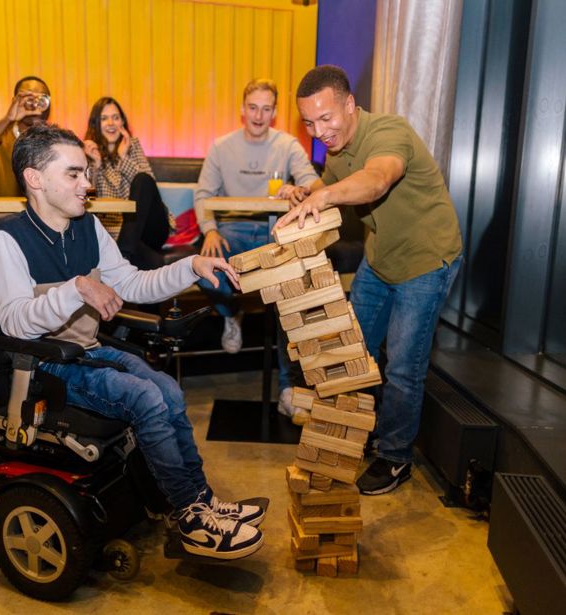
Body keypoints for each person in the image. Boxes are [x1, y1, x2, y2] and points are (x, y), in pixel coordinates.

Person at [0, 123, 265, 559]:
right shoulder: (5, 240)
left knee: (168, 390)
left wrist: (192, 266)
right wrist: (76, 287)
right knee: (145, 398)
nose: (87, 184)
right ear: (35, 179)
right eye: (74, 174)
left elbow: (132, 283)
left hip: (87, 351)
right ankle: (188, 514)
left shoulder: (89, 228)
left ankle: (200, 500)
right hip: (42, 363)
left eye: (86, 173)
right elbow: (17, 323)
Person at [275, 64, 463, 495]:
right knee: (350, 353)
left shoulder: (388, 132)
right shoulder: (337, 150)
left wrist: (322, 195)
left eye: (327, 118)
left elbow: (376, 180)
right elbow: (331, 182)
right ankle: (356, 429)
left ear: (350, 105)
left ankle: (395, 457)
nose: (319, 130)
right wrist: (306, 192)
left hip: (426, 260)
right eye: (309, 122)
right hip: (380, 261)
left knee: (402, 368)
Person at [194, 78, 320, 422]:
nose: (259, 115)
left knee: (287, 296)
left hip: (273, 229)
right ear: (242, 109)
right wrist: (210, 230)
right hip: (231, 228)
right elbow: (203, 195)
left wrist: (298, 188)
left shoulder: (288, 144)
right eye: (253, 107)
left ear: (275, 113)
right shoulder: (222, 147)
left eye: (266, 108)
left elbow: (313, 182)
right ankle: (230, 312)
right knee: (205, 272)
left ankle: (288, 390)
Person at [84, 97, 171, 270]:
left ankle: (122, 255)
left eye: (116, 117)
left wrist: (124, 158)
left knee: (143, 180)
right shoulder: (88, 151)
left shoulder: (133, 146)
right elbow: (88, 201)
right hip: (118, 232)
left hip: (149, 228)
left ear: (122, 122)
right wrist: (96, 166)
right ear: (96, 124)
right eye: (104, 118)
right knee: (152, 261)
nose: (111, 123)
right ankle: (126, 256)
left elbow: (148, 185)